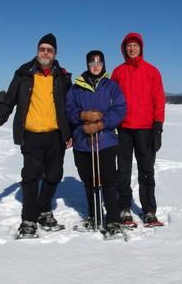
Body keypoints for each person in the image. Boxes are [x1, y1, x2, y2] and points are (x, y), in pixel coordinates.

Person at [0, 33, 72, 238]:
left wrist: (71, 132)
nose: (45, 52)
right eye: (42, 49)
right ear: (37, 51)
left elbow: (70, 107)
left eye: (49, 50)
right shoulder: (24, 73)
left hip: (56, 135)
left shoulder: (62, 77)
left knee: (53, 175)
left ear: (55, 53)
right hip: (31, 134)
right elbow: (9, 100)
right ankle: (28, 219)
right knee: (31, 176)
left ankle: (43, 211)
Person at [66, 50, 126, 236]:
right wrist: (81, 117)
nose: (96, 65)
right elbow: (69, 108)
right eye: (92, 62)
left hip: (105, 141)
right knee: (90, 181)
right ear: (87, 64)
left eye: (99, 62)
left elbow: (119, 108)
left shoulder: (111, 86)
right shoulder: (77, 87)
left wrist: (102, 123)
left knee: (108, 181)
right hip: (82, 141)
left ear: (104, 64)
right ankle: (94, 216)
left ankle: (113, 220)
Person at [111, 32, 166, 226]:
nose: (132, 48)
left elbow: (159, 100)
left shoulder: (152, 71)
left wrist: (158, 127)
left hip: (146, 129)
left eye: (135, 45)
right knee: (123, 171)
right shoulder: (118, 72)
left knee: (146, 170)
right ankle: (124, 208)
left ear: (141, 48)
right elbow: (112, 100)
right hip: (123, 129)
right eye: (129, 46)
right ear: (124, 49)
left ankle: (149, 211)